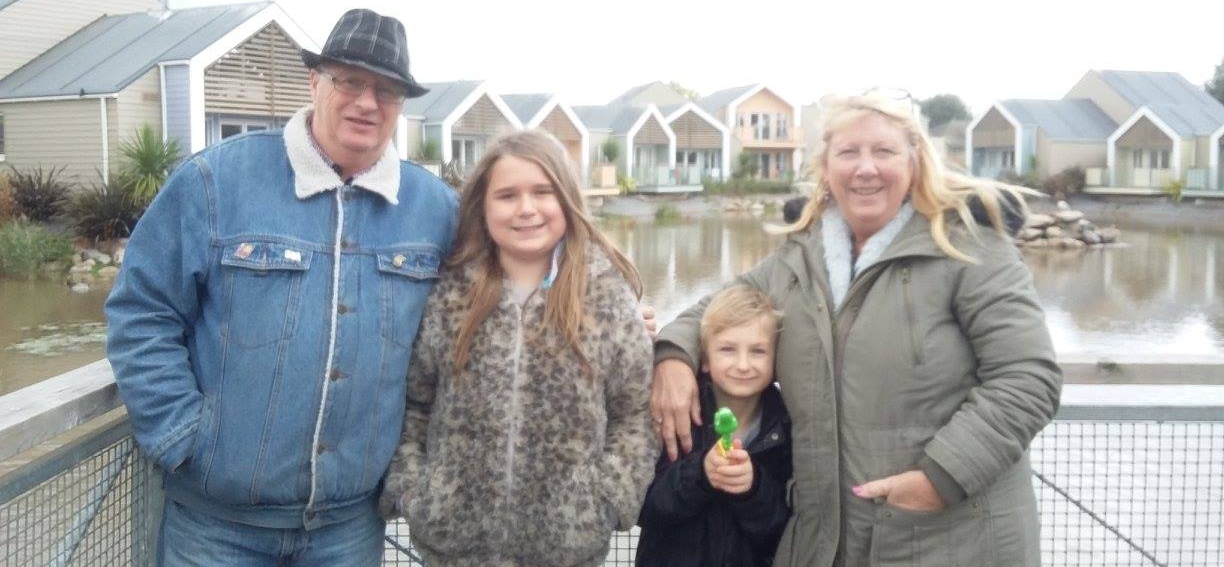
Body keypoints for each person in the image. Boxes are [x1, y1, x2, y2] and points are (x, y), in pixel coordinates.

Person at [651, 89, 1062, 567]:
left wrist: (940, 479)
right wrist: (673, 357)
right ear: (826, 167)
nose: (866, 168)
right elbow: (709, 312)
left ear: (915, 161)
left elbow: (1027, 378)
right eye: (848, 152)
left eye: (884, 151)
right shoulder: (798, 259)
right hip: (828, 543)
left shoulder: (969, 249)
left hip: (950, 539)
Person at [106, 9, 456, 566]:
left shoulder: (437, 210)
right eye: (350, 81)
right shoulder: (214, 181)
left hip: (350, 528)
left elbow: (504, 293)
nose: (367, 102)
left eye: (387, 90)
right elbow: (142, 312)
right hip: (216, 527)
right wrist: (182, 437)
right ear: (315, 82)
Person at [378, 129, 657, 567]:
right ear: (483, 206)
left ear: (566, 198)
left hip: (568, 551)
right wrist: (414, 490)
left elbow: (634, 414)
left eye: (543, 192)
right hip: (452, 549)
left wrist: (609, 500)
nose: (526, 208)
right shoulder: (449, 294)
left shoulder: (607, 299)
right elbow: (415, 403)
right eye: (507, 195)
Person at [635, 285, 792, 567]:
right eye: (728, 350)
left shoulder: (787, 426)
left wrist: (752, 488)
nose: (743, 365)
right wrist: (701, 475)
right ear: (705, 360)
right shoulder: (671, 411)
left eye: (758, 351)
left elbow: (784, 531)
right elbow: (643, 508)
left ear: (777, 361)